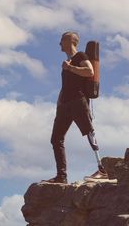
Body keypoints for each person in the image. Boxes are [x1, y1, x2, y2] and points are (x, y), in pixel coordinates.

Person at [43, 31, 108, 184]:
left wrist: (70, 68)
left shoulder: (80, 57)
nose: (59, 44)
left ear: (70, 41)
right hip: (64, 104)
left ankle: (102, 170)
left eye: (61, 41)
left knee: (89, 132)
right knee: (56, 139)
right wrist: (59, 101)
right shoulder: (68, 62)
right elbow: (65, 86)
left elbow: (89, 71)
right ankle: (61, 176)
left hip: (78, 101)